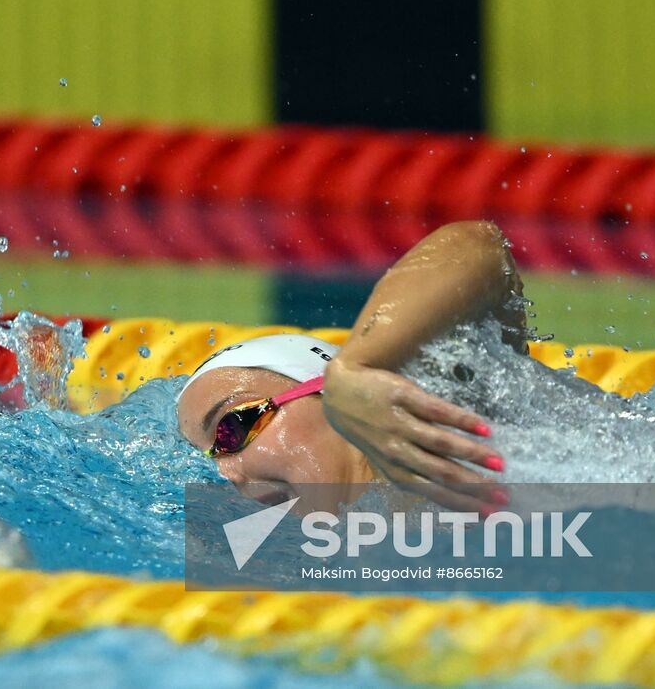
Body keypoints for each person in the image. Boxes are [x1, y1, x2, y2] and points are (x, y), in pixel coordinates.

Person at [175, 220, 527, 513]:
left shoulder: (465, 429)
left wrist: (358, 366)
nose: (224, 475)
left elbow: (478, 247)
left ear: (327, 390)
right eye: (206, 465)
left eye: (230, 430)